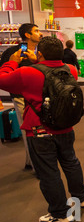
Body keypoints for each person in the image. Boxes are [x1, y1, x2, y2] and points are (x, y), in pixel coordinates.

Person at [0, 36, 84, 222]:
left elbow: (3, 80)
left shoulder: (27, 72)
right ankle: (81, 198)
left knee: (49, 172)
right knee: (70, 162)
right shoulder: (70, 69)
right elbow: (53, 66)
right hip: (66, 126)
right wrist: (39, 61)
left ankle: (60, 213)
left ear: (39, 53)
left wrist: (11, 63)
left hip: (39, 131)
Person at [0, 23, 43, 172]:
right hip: (21, 97)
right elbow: (4, 73)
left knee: (39, 130)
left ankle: (31, 161)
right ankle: (37, 165)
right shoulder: (13, 52)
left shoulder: (41, 52)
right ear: (27, 35)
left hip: (40, 97)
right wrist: (15, 62)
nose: (40, 33)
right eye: (36, 31)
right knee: (28, 130)